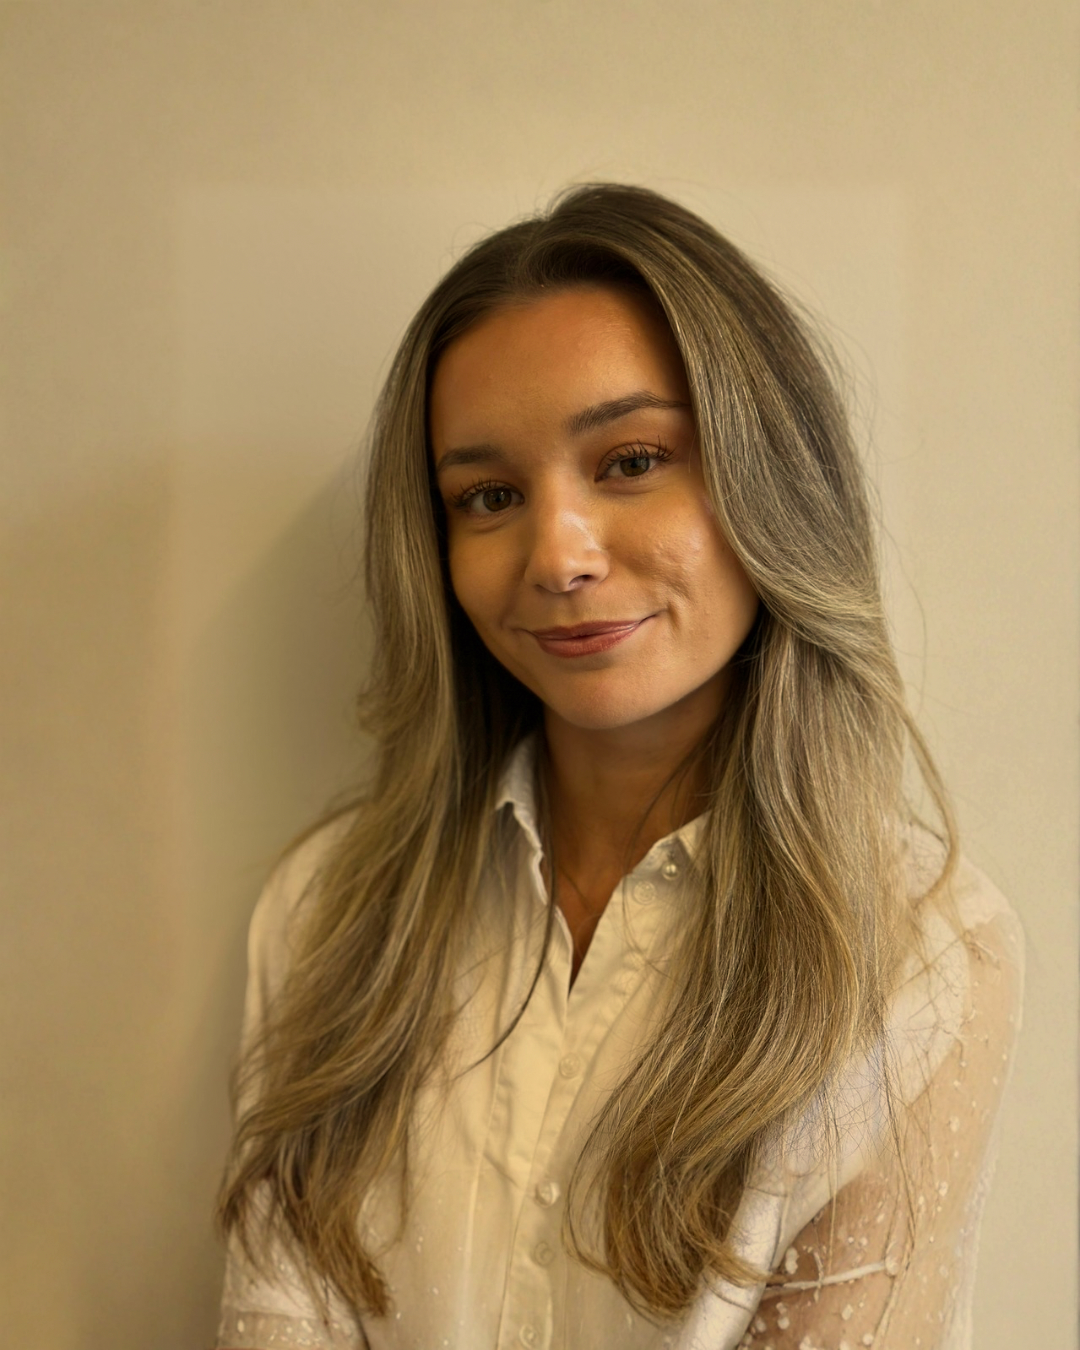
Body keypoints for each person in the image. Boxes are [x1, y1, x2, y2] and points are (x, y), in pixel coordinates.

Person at [213, 184, 1022, 1350]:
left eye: (633, 460)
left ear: (769, 477)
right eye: (487, 496)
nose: (558, 555)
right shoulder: (329, 910)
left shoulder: (921, 954)